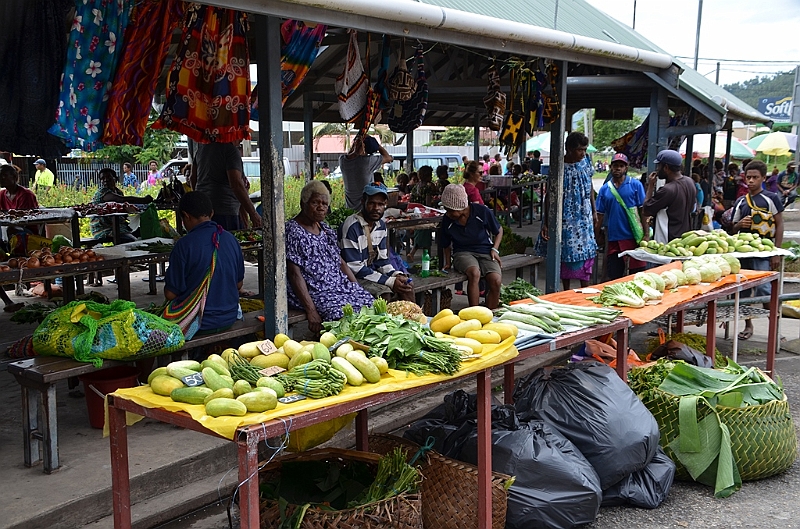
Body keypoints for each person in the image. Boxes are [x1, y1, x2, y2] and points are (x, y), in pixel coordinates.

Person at [286, 180, 374, 335]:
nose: (321, 207)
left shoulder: (325, 229)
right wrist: (311, 310)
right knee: (340, 317)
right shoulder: (293, 231)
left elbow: (340, 262)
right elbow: (294, 273)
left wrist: (356, 287)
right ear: (303, 203)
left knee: (369, 305)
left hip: (338, 287)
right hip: (316, 291)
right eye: (315, 202)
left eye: (325, 204)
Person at [164, 192, 245, 335]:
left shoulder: (184, 245)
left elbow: (170, 294)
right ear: (211, 213)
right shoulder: (231, 239)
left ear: (186, 216)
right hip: (229, 317)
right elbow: (239, 285)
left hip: (199, 322)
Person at [537, 132, 598, 290]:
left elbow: (589, 186)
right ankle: (566, 290)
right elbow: (549, 196)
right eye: (579, 150)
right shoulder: (558, 167)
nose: (583, 153)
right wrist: (546, 222)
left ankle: (585, 289)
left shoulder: (585, 162)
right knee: (565, 255)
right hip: (565, 218)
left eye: (584, 150)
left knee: (587, 254)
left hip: (584, 217)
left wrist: (594, 210)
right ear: (569, 149)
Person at [731, 160, 783, 341]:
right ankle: (748, 325)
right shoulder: (740, 201)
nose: (751, 181)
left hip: (764, 253)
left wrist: (776, 250)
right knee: (743, 290)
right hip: (743, 254)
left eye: (755, 177)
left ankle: (774, 329)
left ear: (763, 178)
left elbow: (779, 223)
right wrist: (739, 224)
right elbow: (732, 228)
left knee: (765, 289)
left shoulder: (771, 198)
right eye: (748, 177)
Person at [340, 182, 414, 302]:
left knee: (407, 286)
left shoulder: (380, 225)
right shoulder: (352, 226)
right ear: (363, 201)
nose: (376, 208)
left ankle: (415, 319)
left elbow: (382, 260)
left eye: (380, 204)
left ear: (385, 205)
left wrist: (396, 275)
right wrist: (389, 281)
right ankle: (388, 321)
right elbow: (353, 267)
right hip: (351, 277)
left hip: (368, 273)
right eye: (372, 203)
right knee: (384, 294)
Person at [439, 184, 503, 309]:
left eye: (451, 210)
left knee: (495, 280)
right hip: (462, 253)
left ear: (461, 208)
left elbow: (499, 230)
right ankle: (475, 313)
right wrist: (448, 262)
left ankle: (491, 314)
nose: (448, 214)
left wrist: (495, 249)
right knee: (474, 273)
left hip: (485, 251)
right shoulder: (447, 220)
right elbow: (445, 244)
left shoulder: (481, 211)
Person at [595, 153, 647, 280]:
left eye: (621, 166)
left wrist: (646, 234)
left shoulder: (635, 185)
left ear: (626, 168)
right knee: (614, 275)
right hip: (614, 238)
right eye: (615, 165)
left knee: (637, 275)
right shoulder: (605, 189)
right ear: (610, 167)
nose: (618, 168)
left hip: (634, 237)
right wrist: (596, 236)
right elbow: (599, 216)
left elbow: (643, 211)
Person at [193, 142, 261, 231]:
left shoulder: (201, 150)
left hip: (203, 212)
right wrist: (253, 214)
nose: (241, 139)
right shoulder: (230, 150)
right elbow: (236, 184)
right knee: (226, 242)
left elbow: (192, 178)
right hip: (225, 212)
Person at [0, 165, 40, 311]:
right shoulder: (2, 194)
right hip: (10, 235)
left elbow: (25, 219)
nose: (1, 179)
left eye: (4, 176)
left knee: (10, 230)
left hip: (27, 234)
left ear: (14, 178)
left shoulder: (26, 194)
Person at [643, 149, 696, 244]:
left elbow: (646, 210)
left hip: (668, 241)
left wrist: (650, 186)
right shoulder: (690, 182)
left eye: (659, 166)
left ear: (666, 167)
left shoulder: (667, 190)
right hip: (685, 239)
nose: (657, 169)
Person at [90, 168, 153, 244]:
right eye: (103, 178)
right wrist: (143, 200)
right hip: (103, 228)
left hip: (119, 226)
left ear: (115, 178)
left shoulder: (118, 192)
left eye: (108, 177)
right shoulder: (102, 192)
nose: (105, 180)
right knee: (131, 241)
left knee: (145, 233)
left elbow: (124, 208)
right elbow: (120, 199)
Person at [339, 134, 393, 210]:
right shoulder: (366, 162)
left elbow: (351, 154)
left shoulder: (343, 160)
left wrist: (357, 143)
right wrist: (377, 145)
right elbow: (388, 158)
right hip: (365, 209)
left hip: (350, 209)